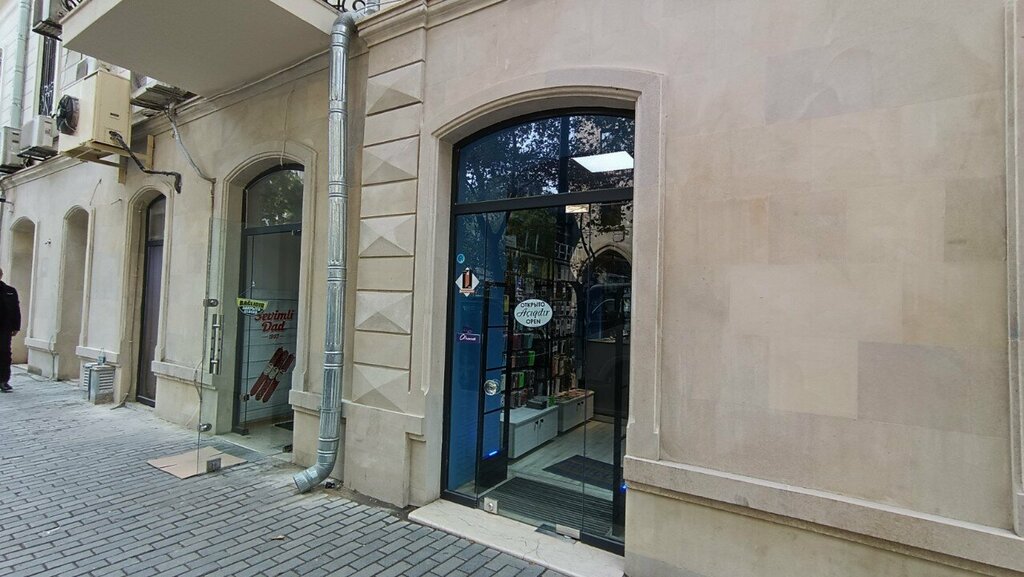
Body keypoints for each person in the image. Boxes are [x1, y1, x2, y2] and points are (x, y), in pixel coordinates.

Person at [0, 268, 21, 393]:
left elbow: (16, 309)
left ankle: (3, 380)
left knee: (4, 353)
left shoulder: (10, 291)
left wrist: (16, 326)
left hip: (5, 328)